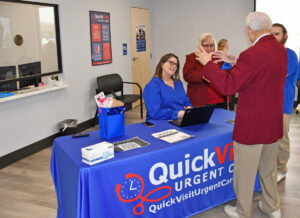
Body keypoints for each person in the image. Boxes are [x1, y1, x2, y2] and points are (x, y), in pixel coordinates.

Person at [195, 12, 287, 218]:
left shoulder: (252, 54)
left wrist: (208, 64)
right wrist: (235, 60)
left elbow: (229, 86)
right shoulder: (280, 50)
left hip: (252, 126)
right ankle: (272, 206)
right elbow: (260, 75)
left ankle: (242, 211)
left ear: (250, 31)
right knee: (268, 169)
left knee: (245, 171)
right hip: (272, 123)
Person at [271, 23, 299, 183]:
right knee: (269, 139)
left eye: (277, 34)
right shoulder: (267, 55)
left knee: (281, 139)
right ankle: (270, 167)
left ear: (284, 36)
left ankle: (281, 169)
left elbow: (280, 75)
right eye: (271, 34)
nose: (274, 37)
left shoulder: (291, 55)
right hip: (266, 104)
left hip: (282, 105)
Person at [183, 33, 228, 109]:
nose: (209, 48)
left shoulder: (218, 58)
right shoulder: (192, 57)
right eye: (206, 46)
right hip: (200, 101)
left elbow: (225, 75)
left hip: (220, 100)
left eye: (212, 45)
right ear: (200, 46)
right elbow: (187, 75)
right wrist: (208, 73)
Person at [143, 53, 192, 120]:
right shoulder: (152, 86)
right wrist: (177, 114)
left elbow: (186, 100)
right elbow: (155, 113)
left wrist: (189, 107)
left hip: (180, 119)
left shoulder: (178, 83)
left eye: (176, 64)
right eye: (171, 63)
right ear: (162, 64)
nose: (174, 66)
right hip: (160, 122)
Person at [217, 38, 235, 110]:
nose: (229, 46)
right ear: (225, 45)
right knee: (230, 103)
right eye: (228, 44)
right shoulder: (226, 55)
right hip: (227, 81)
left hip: (222, 81)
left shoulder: (217, 54)